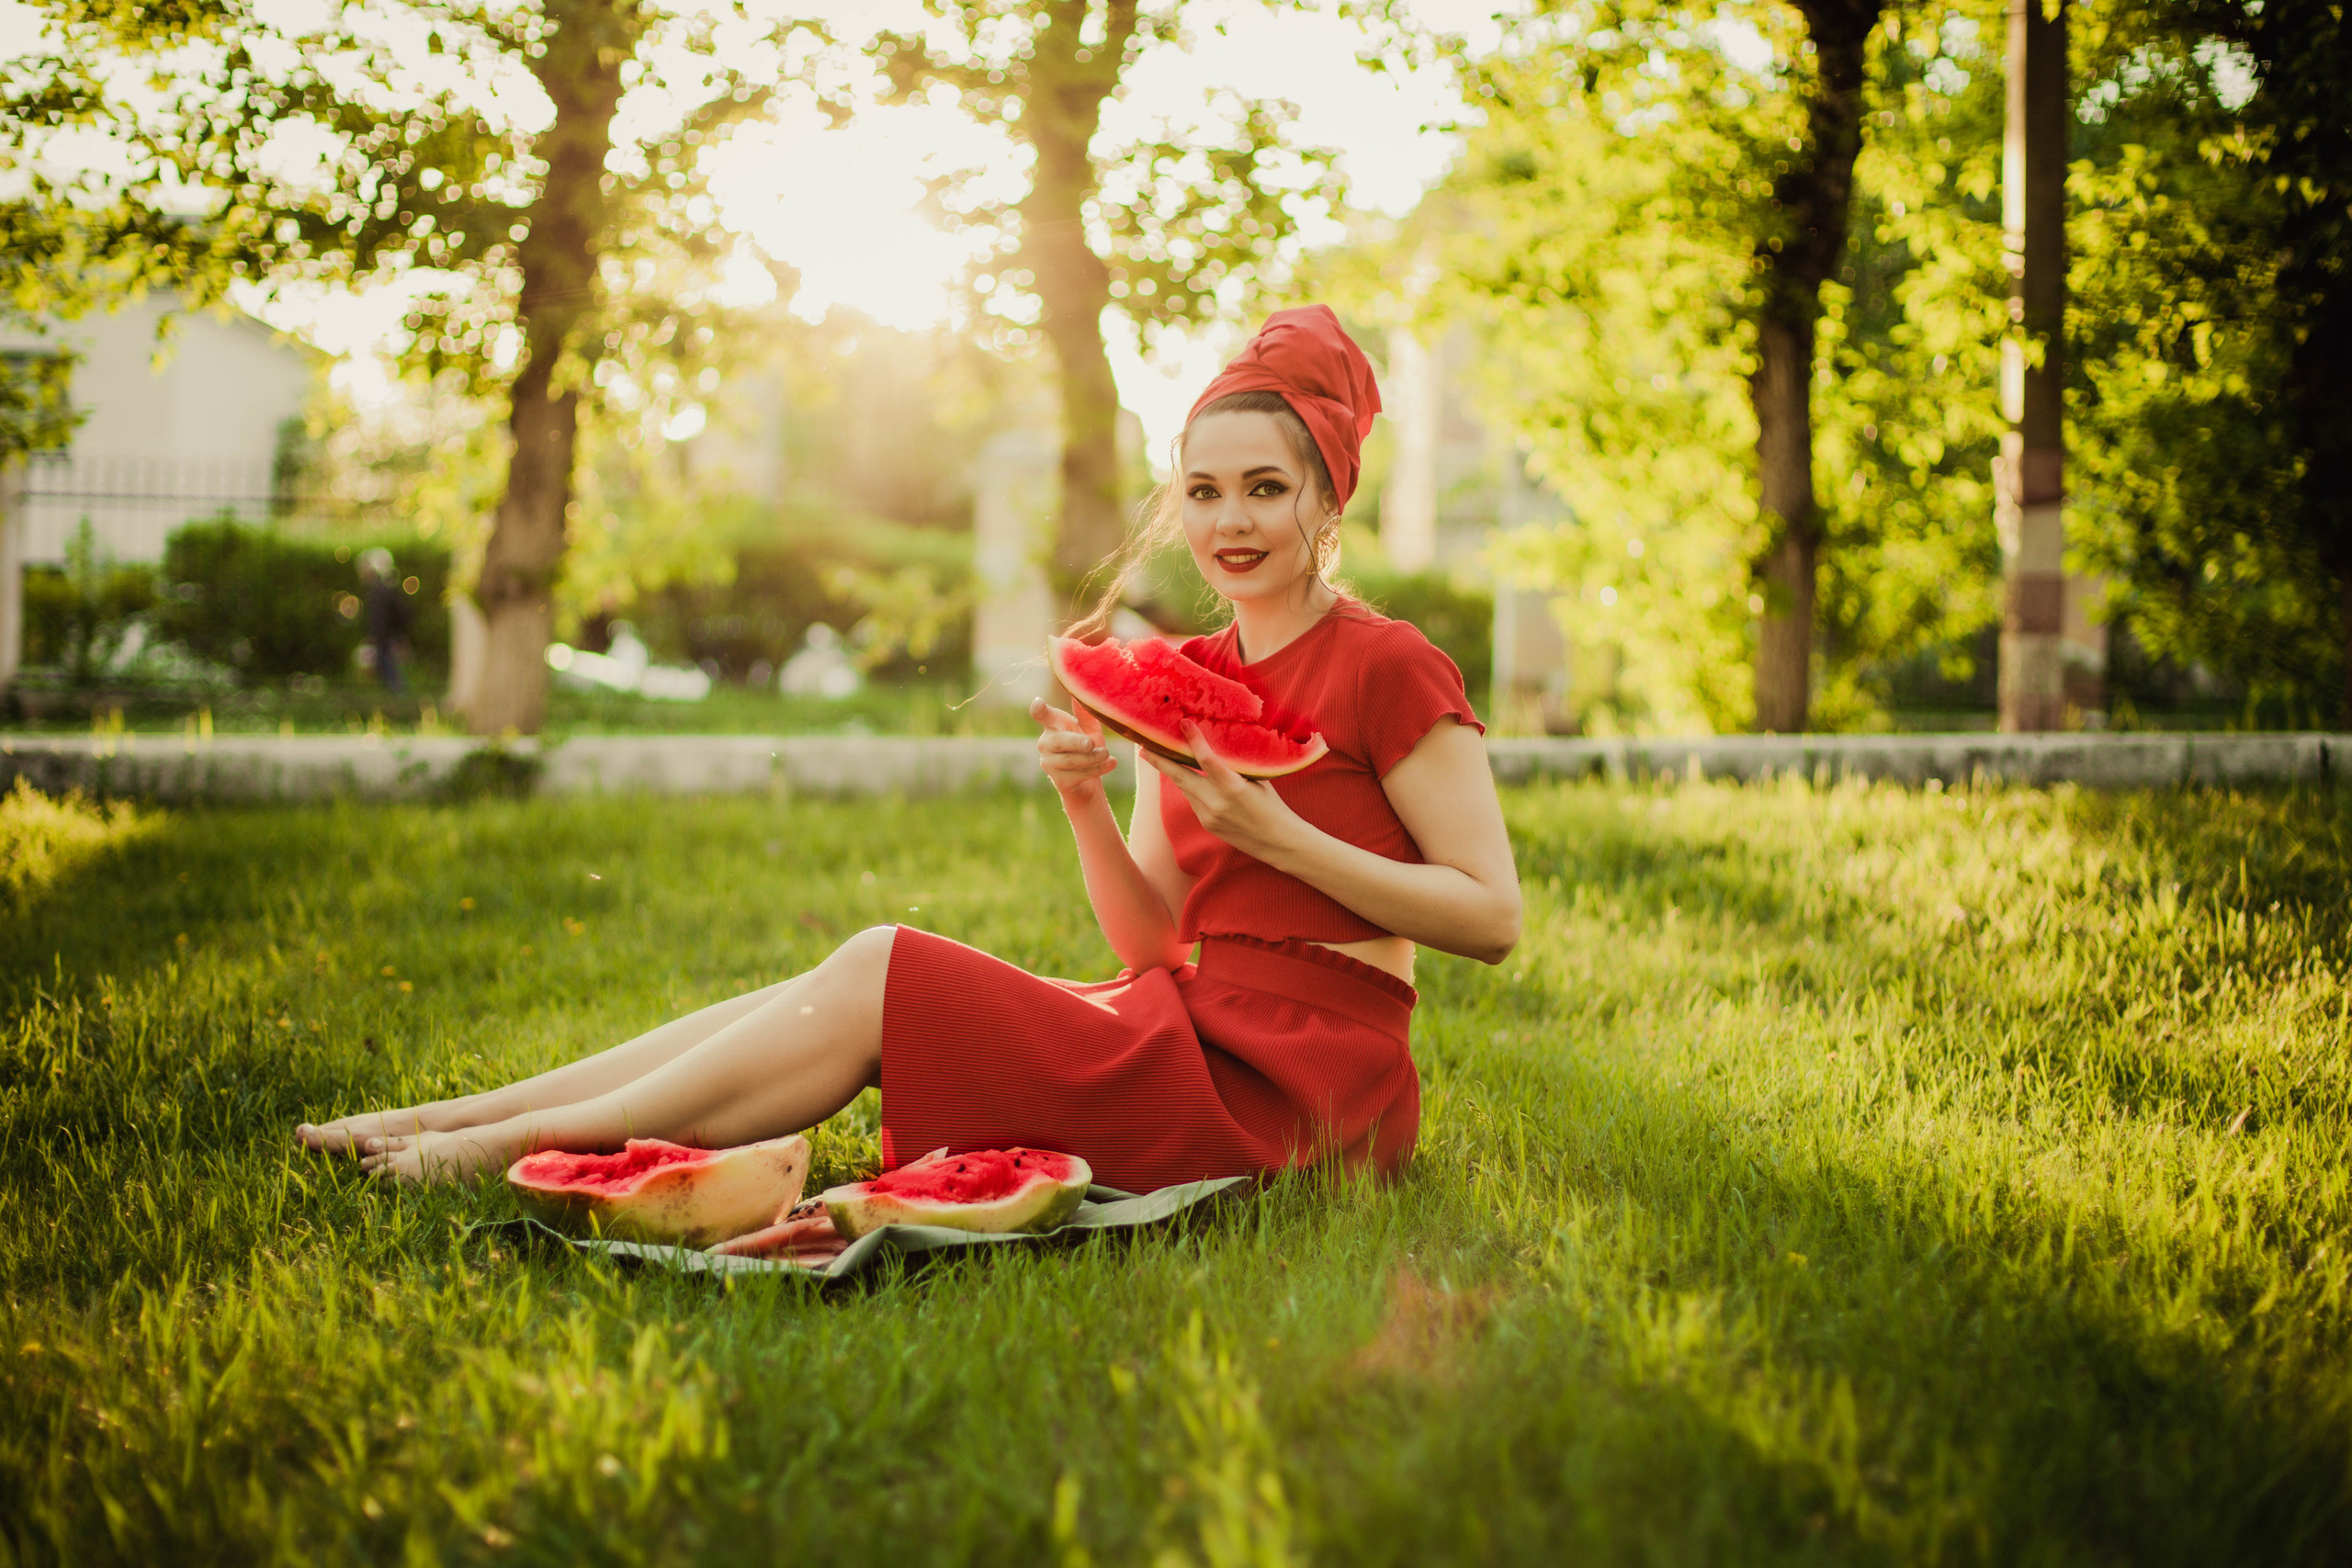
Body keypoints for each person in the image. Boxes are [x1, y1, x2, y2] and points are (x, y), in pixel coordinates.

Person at [297, 306, 1522, 1188]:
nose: (1230, 521)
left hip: (1307, 1089)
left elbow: (1489, 916)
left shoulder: (1389, 662)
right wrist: (1090, 806)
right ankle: (469, 1112)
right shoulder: (1189, 684)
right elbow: (1150, 941)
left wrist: (1289, 838)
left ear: (1329, 498)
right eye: (1202, 492)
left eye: (1266, 488)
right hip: (1182, 1019)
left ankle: (501, 1150)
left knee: (886, 959)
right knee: (828, 984)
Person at [358, 547, 411, 696]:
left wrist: (378, 638)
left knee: (392, 677)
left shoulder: (380, 591)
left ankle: (401, 703)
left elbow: (381, 619)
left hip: (385, 640)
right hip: (386, 638)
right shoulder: (386, 588)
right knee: (389, 675)